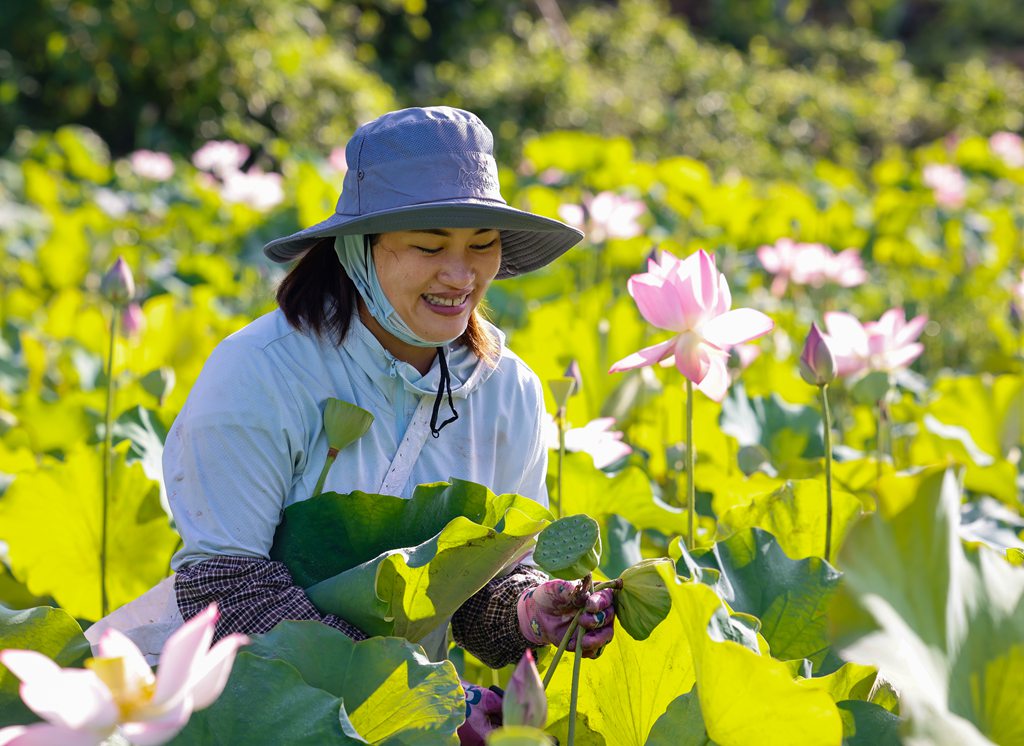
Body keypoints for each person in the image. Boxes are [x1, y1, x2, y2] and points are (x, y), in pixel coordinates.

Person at [163, 106, 616, 742]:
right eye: (431, 246)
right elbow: (226, 590)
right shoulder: (258, 372)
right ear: (357, 246)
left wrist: (533, 611)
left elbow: (482, 592)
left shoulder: (509, 390)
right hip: (240, 708)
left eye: (481, 245)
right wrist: (425, 698)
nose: (461, 276)